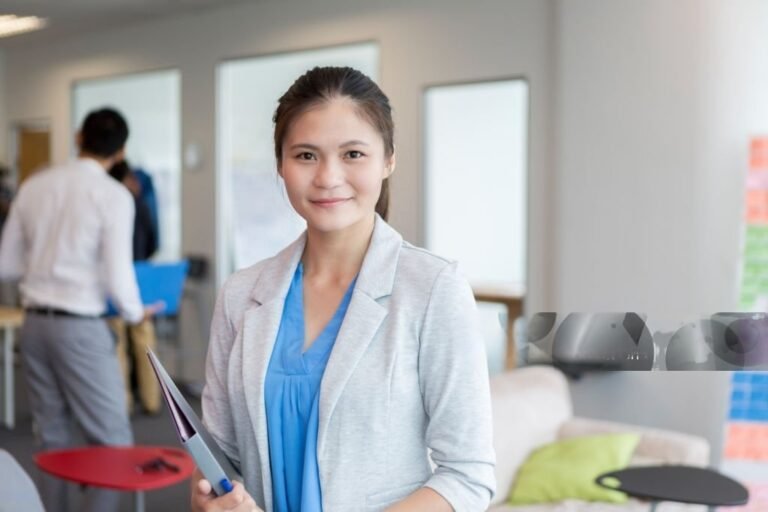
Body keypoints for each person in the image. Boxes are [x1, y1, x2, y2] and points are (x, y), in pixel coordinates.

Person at [193, 67, 496, 512]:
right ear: (280, 164)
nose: (328, 178)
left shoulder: (432, 289)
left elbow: (468, 476)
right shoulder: (241, 295)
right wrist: (208, 501)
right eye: (306, 156)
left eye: (353, 154)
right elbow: (219, 458)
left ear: (388, 159)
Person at [0, 107, 161, 512]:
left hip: (34, 325)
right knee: (111, 440)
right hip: (80, 328)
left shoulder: (35, 185)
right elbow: (118, 275)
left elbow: (7, 266)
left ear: (77, 137)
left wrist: (48, 262)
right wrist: (134, 312)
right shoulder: (113, 195)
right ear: (121, 149)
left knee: (51, 436)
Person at [108, 159, 161, 414]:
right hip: (140, 280)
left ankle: (123, 402)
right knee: (145, 343)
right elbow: (154, 241)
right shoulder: (139, 204)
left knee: (117, 344)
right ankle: (152, 401)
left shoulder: (108, 204)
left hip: (113, 281)